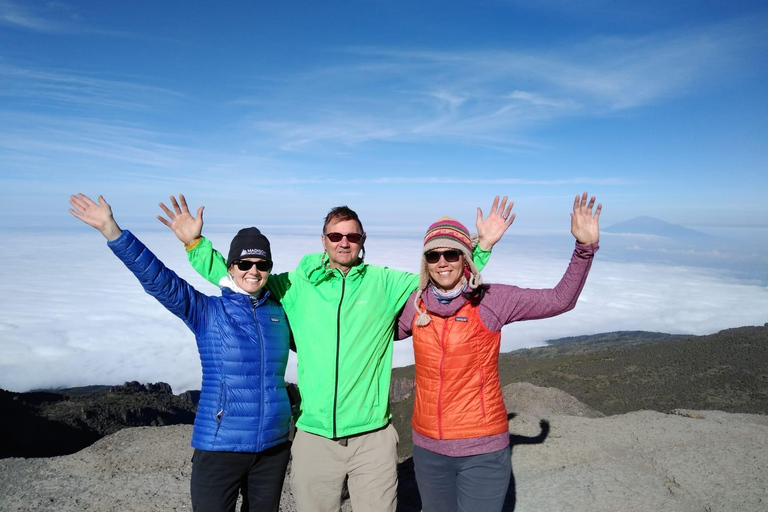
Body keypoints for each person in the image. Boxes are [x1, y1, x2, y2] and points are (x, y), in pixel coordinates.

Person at [156, 194, 515, 512]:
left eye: (352, 236)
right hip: (313, 437)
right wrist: (196, 245)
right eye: (335, 236)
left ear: (362, 241)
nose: (344, 243)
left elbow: (444, 277)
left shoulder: (384, 282)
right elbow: (246, 276)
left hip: (371, 436)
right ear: (324, 240)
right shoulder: (297, 283)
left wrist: (481, 247)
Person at [68, 193, 293, 512]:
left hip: (273, 448)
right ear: (231, 267)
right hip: (220, 446)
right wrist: (113, 232)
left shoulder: (280, 314)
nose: (253, 271)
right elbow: (160, 281)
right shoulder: (208, 312)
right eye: (244, 263)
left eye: (262, 264)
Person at [396, 192, 601, 512]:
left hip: (483, 450)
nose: (442, 262)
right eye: (433, 256)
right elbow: (375, 335)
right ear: (425, 261)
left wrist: (584, 249)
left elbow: (560, 300)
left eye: (451, 253)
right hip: (428, 450)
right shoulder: (416, 305)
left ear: (465, 257)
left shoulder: (492, 300)